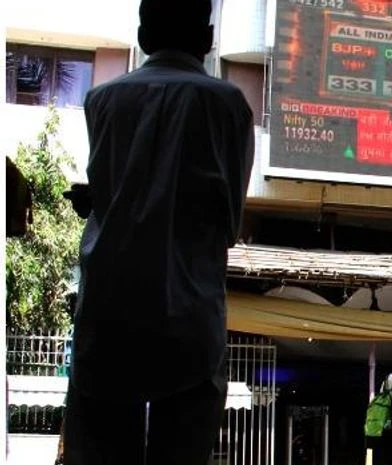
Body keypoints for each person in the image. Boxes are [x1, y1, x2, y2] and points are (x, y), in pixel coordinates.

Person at [62, 0, 255, 463]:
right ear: (207, 39)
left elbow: (118, 195)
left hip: (107, 316)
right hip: (190, 314)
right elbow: (227, 219)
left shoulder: (103, 100)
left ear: (144, 35)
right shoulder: (229, 105)